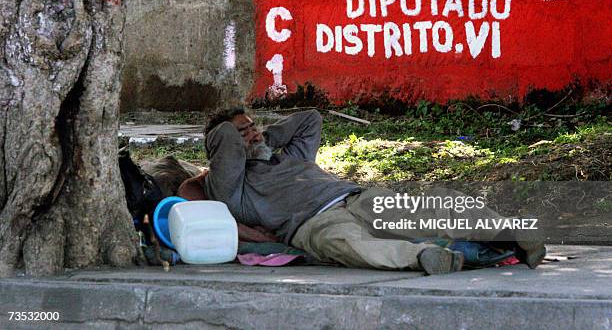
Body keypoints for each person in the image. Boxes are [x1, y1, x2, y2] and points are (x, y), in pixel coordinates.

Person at [203, 107, 546, 274]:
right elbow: (223, 140)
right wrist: (239, 136)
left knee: (437, 205)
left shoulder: (288, 155)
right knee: (352, 246)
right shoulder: (234, 189)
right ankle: (426, 257)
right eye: (242, 133)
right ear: (223, 149)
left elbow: (311, 119)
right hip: (312, 225)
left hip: (356, 198)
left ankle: (508, 232)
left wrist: (265, 137)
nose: (253, 134)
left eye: (252, 127)